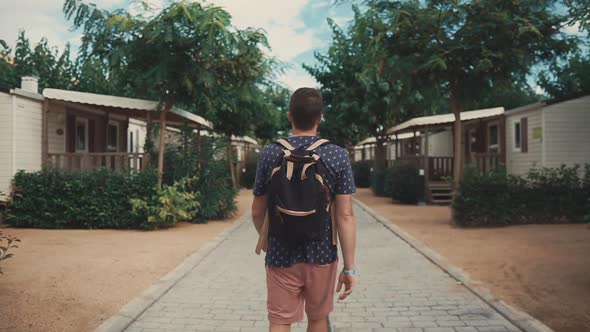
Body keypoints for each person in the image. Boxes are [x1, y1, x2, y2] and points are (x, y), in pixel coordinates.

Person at [251, 87, 357, 332]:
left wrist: (267, 239)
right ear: (320, 118)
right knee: (318, 319)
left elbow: (257, 210)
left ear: (290, 116)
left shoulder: (270, 153)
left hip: (280, 253)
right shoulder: (337, 155)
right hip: (321, 253)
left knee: (279, 320)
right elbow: (345, 216)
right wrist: (349, 268)